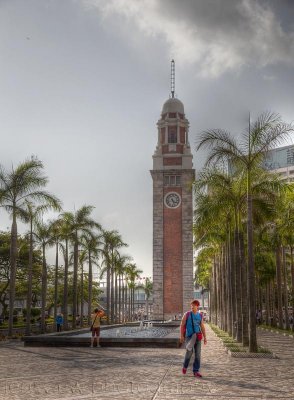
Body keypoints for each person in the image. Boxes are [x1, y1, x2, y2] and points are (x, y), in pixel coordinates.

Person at [180, 300, 207, 377]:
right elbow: (182, 324)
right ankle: (185, 366)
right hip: (189, 337)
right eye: (191, 305)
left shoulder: (200, 315)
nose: (192, 307)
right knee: (189, 352)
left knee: (198, 354)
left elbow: (202, 327)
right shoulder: (187, 314)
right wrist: (181, 336)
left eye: (194, 305)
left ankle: (196, 371)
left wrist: (205, 337)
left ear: (197, 306)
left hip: (198, 337)